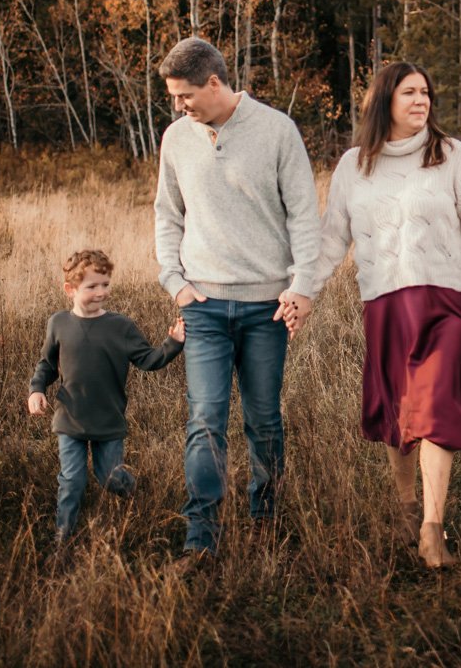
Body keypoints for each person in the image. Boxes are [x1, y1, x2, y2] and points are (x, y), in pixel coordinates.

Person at [297, 61, 461, 569]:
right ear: (384, 102)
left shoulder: (450, 155)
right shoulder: (355, 165)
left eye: (426, 92)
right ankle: (405, 507)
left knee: (438, 408)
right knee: (398, 414)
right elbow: (332, 239)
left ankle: (432, 527)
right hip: (386, 302)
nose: (421, 101)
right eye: (410, 93)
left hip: (447, 303)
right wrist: (302, 291)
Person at [154, 37, 320, 564]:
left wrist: (302, 286)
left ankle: (265, 517)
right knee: (204, 418)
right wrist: (174, 281)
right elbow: (167, 215)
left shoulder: (276, 130)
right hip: (201, 305)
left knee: (263, 418)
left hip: (266, 306)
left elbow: (304, 216)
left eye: (184, 95)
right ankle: (200, 536)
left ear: (214, 83)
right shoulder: (176, 138)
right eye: (173, 97)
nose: (179, 105)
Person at [27, 249, 185, 544]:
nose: (101, 292)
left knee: (111, 477)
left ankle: (135, 495)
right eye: (92, 286)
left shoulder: (120, 327)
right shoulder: (58, 324)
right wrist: (36, 389)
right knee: (72, 481)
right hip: (70, 419)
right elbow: (47, 364)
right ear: (70, 289)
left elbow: (148, 360)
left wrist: (173, 344)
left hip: (108, 419)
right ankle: (63, 538)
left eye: (105, 284)